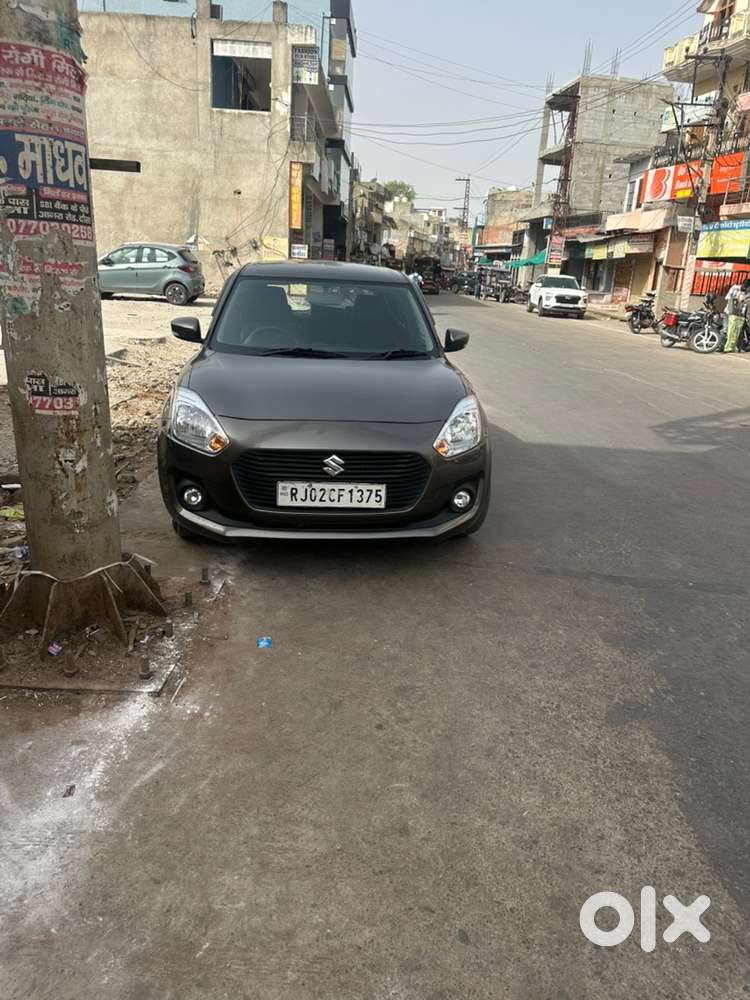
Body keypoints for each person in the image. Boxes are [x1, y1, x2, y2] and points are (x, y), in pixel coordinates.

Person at [724, 278, 750, 352]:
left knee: (736, 331)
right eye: (744, 287)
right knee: (727, 329)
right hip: (730, 312)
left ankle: (732, 347)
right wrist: (736, 299)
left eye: (747, 288)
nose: (745, 289)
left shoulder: (748, 293)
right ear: (742, 284)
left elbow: (747, 304)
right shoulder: (734, 288)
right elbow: (727, 298)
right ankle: (724, 346)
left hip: (740, 314)